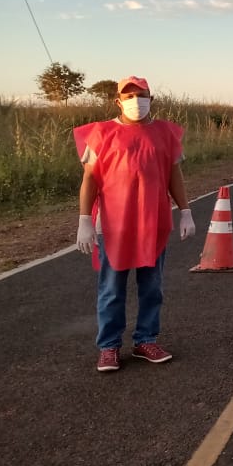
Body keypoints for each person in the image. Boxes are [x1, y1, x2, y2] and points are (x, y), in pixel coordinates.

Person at [74, 76, 197, 373]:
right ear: (118, 101)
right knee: (111, 288)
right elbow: (89, 178)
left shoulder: (165, 133)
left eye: (141, 95)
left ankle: (146, 340)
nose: (135, 101)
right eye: (129, 96)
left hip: (153, 222)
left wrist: (185, 211)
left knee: (152, 287)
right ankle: (109, 346)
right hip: (113, 225)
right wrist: (84, 219)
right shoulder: (102, 133)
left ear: (151, 99)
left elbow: (174, 175)